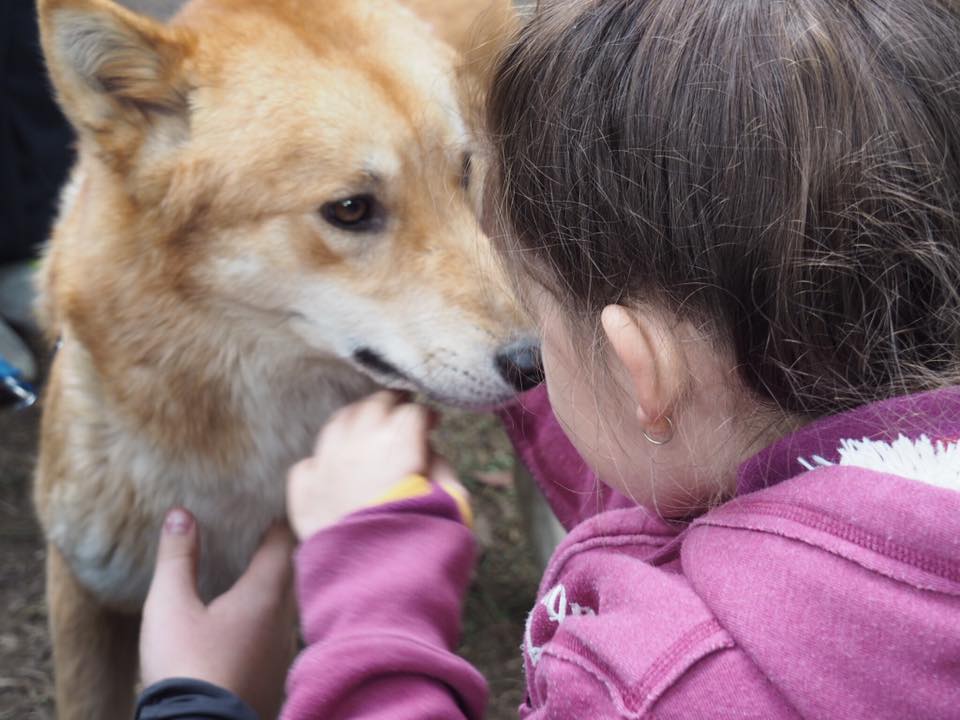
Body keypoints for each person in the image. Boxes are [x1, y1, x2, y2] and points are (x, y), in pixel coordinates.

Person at [135, 0, 960, 717]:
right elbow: (659, 448)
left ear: (642, 373)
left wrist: (365, 592)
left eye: (539, 331)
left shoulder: (664, 686)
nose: (519, 346)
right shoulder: (824, 448)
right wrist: (520, 376)